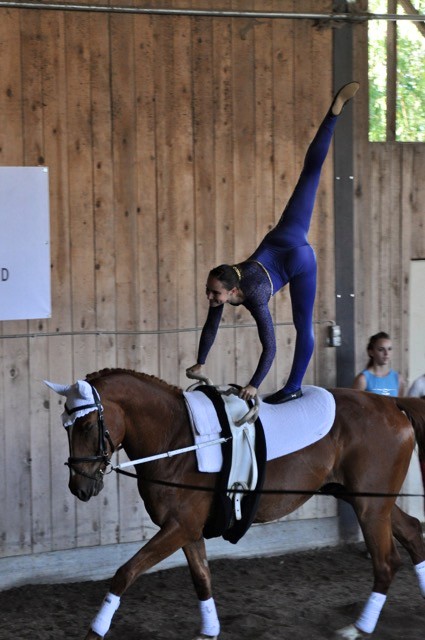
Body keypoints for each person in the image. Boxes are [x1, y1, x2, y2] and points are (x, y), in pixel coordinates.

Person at [186, 81, 360, 404]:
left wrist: (254, 384)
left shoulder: (252, 296)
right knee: (309, 173)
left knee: (302, 325)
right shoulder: (227, 281)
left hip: (299, 261)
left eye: (214, 293)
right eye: (210, 291)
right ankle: (333, 114)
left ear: (234, 292)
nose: (209, 296)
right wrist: (201, 361)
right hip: (286, 234)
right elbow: (211, 325)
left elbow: (271, 346)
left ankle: (293, 386)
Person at [352, 331, 405, 397]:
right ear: (371, 352)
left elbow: (399, 405)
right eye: (381, 349)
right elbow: (354, 405)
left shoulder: (398, 378)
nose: (386, 353)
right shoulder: (363, 379)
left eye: (389, 349)